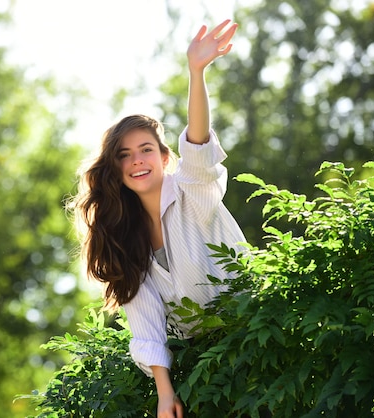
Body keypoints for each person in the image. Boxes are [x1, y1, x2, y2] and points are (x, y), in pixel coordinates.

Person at [70, 20, 246, 418]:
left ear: (165, 158)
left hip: (255, 331)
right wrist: (166, 394)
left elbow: (199, 151)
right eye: (125, 155)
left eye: (146, 149)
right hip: (205, 363)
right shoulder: (123, 237)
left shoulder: (193, 192)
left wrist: (196, 73)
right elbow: (146, 323)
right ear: (115, 169)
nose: (136, 161)